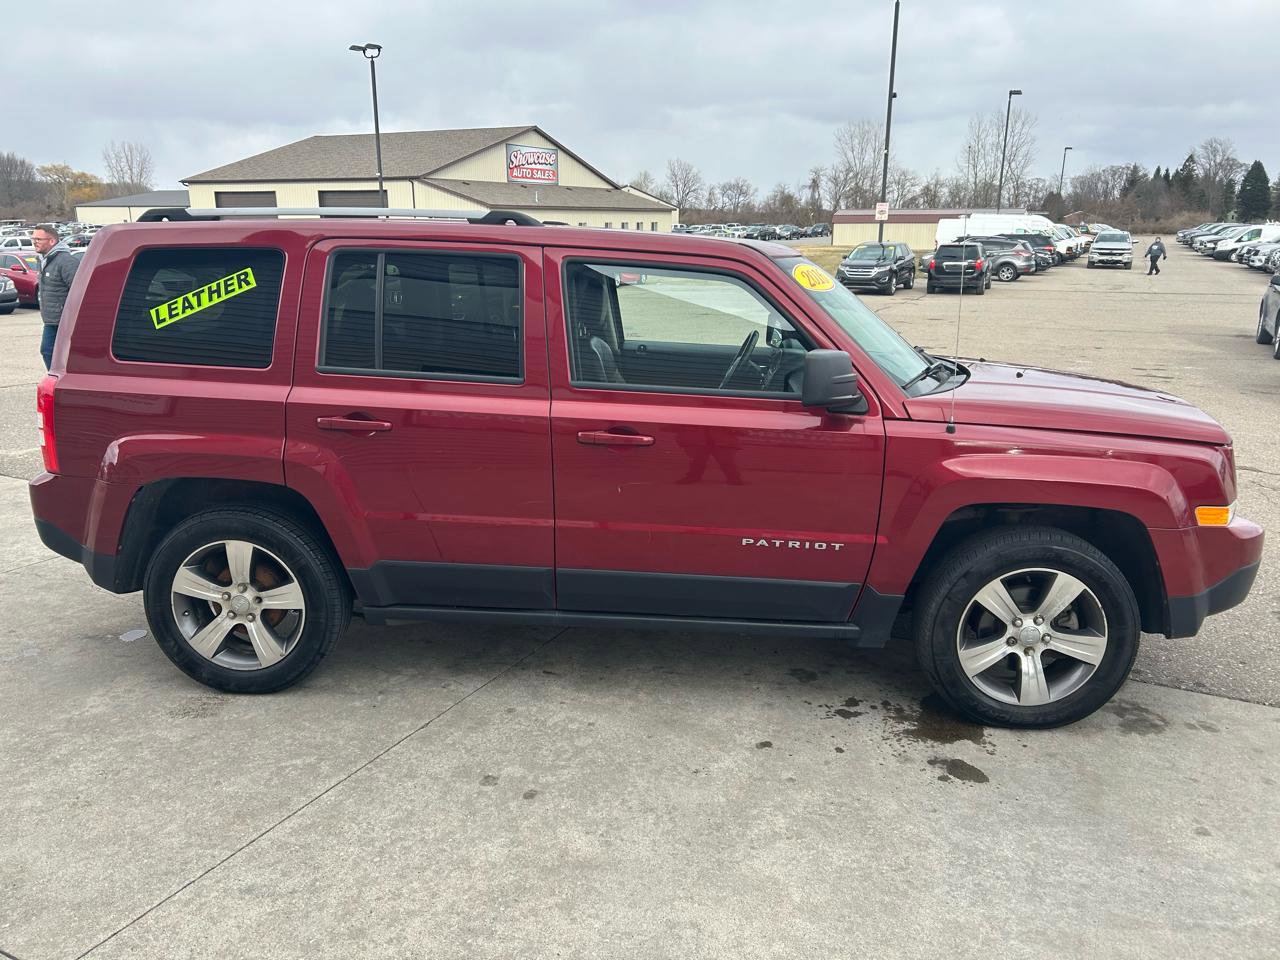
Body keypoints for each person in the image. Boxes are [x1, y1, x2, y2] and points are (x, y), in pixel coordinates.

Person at [31, 224, 81, 369]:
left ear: (52, 241)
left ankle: (60, 382)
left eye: (39, 239)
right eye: (33, 238)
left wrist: (70, 315)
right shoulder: (45, 260)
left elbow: (78, 290)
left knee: (50, 351)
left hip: (64, 322)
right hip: (51, 320)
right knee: (49, 352)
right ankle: (58, 382)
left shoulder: (65, 261)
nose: (34, 242)